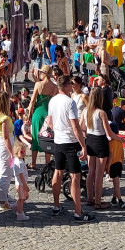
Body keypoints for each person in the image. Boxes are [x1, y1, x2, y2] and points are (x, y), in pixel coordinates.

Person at [47, 74, 93, 222]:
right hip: (70, 142)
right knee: (75, 177)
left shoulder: (53, 101)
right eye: (71, 84)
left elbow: (50, 122)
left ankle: (56, 205)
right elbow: (75, 126)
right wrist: (83, 145)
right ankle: (78, 212)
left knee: (58, 172)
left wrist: (57, 131)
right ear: (67, 86)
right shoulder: (70, 102)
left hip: (58, 141)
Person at [85, 86, 122, 211]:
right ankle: (98, 202)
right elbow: (109, 133)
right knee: (99, 174)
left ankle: (90, 198)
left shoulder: (86, 111)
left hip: (90, 140)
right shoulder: (101, 113)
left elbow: (81, 127)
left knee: (91, 172)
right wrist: (121, 139)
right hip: (100, 142)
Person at [28, 65, 59, 170]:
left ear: (44, 73)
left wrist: (29, 115)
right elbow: (54, 103)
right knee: (47, 137)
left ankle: (33, 163)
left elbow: (32, 101)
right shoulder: (54, 87)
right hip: (48, 113)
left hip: (38, 112)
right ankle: (47, 163)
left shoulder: (38, 84)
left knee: (35, 138)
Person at [0, 90, 16, 211]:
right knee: (6, 174)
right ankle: (2, 202)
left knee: (3, 172)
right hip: (5, 147)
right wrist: (12, 153)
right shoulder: (4, 118)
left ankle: (4, 195)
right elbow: (6, 137)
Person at [12, 138, 30, 221]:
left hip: (20, 183)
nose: (23, 154)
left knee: (24, 197)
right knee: (22, 199)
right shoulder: (19, 163)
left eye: (24, 152)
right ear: (16, 153)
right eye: (21, 152)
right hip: (21, 184)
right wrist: (25, 185)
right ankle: (20, 214)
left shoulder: (18, 160)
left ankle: (16, 206)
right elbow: (21, 176)